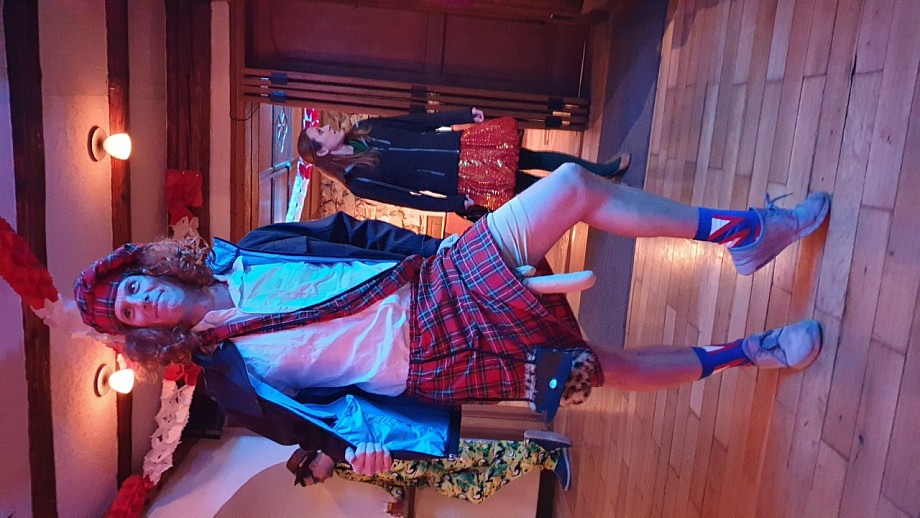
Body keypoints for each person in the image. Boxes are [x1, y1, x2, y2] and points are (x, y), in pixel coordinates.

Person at [74, 163, 831, 472]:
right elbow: (318, 430)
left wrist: (444, 249)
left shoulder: (257, 248)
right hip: (433, 366)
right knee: (601, 368)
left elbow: (357, 235)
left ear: (150, 266)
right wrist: (364, 453)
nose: (141, 301)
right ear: (142, 333)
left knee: (571, 185)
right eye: (129, 313)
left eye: (133, 286)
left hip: (435, 281)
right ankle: (749, 351)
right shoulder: (228, 383)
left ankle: (744, 233)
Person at [297, 107, 630, 219]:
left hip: (464, 145)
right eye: (320, 133)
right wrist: (455, 204)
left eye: (320, 127)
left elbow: (419, 123)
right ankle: (596, 196)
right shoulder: (358, 181)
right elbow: (410, 199)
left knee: (535, 157)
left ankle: (602, 171)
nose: (326, 128)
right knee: (532, 186)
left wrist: (460, 115)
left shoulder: (365, 127)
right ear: (321, 152)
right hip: (459, 179)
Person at [286, 431, 573, 514]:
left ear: (312, 464)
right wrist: (398, 497)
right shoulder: (345, 473)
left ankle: (544, 455)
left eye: (315, 478)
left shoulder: (345, 442)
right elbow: (383, 477)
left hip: (428, 454)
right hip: (428, 477)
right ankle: (538, 450)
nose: (322, 480)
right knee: (476, 492)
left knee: (486, 453)